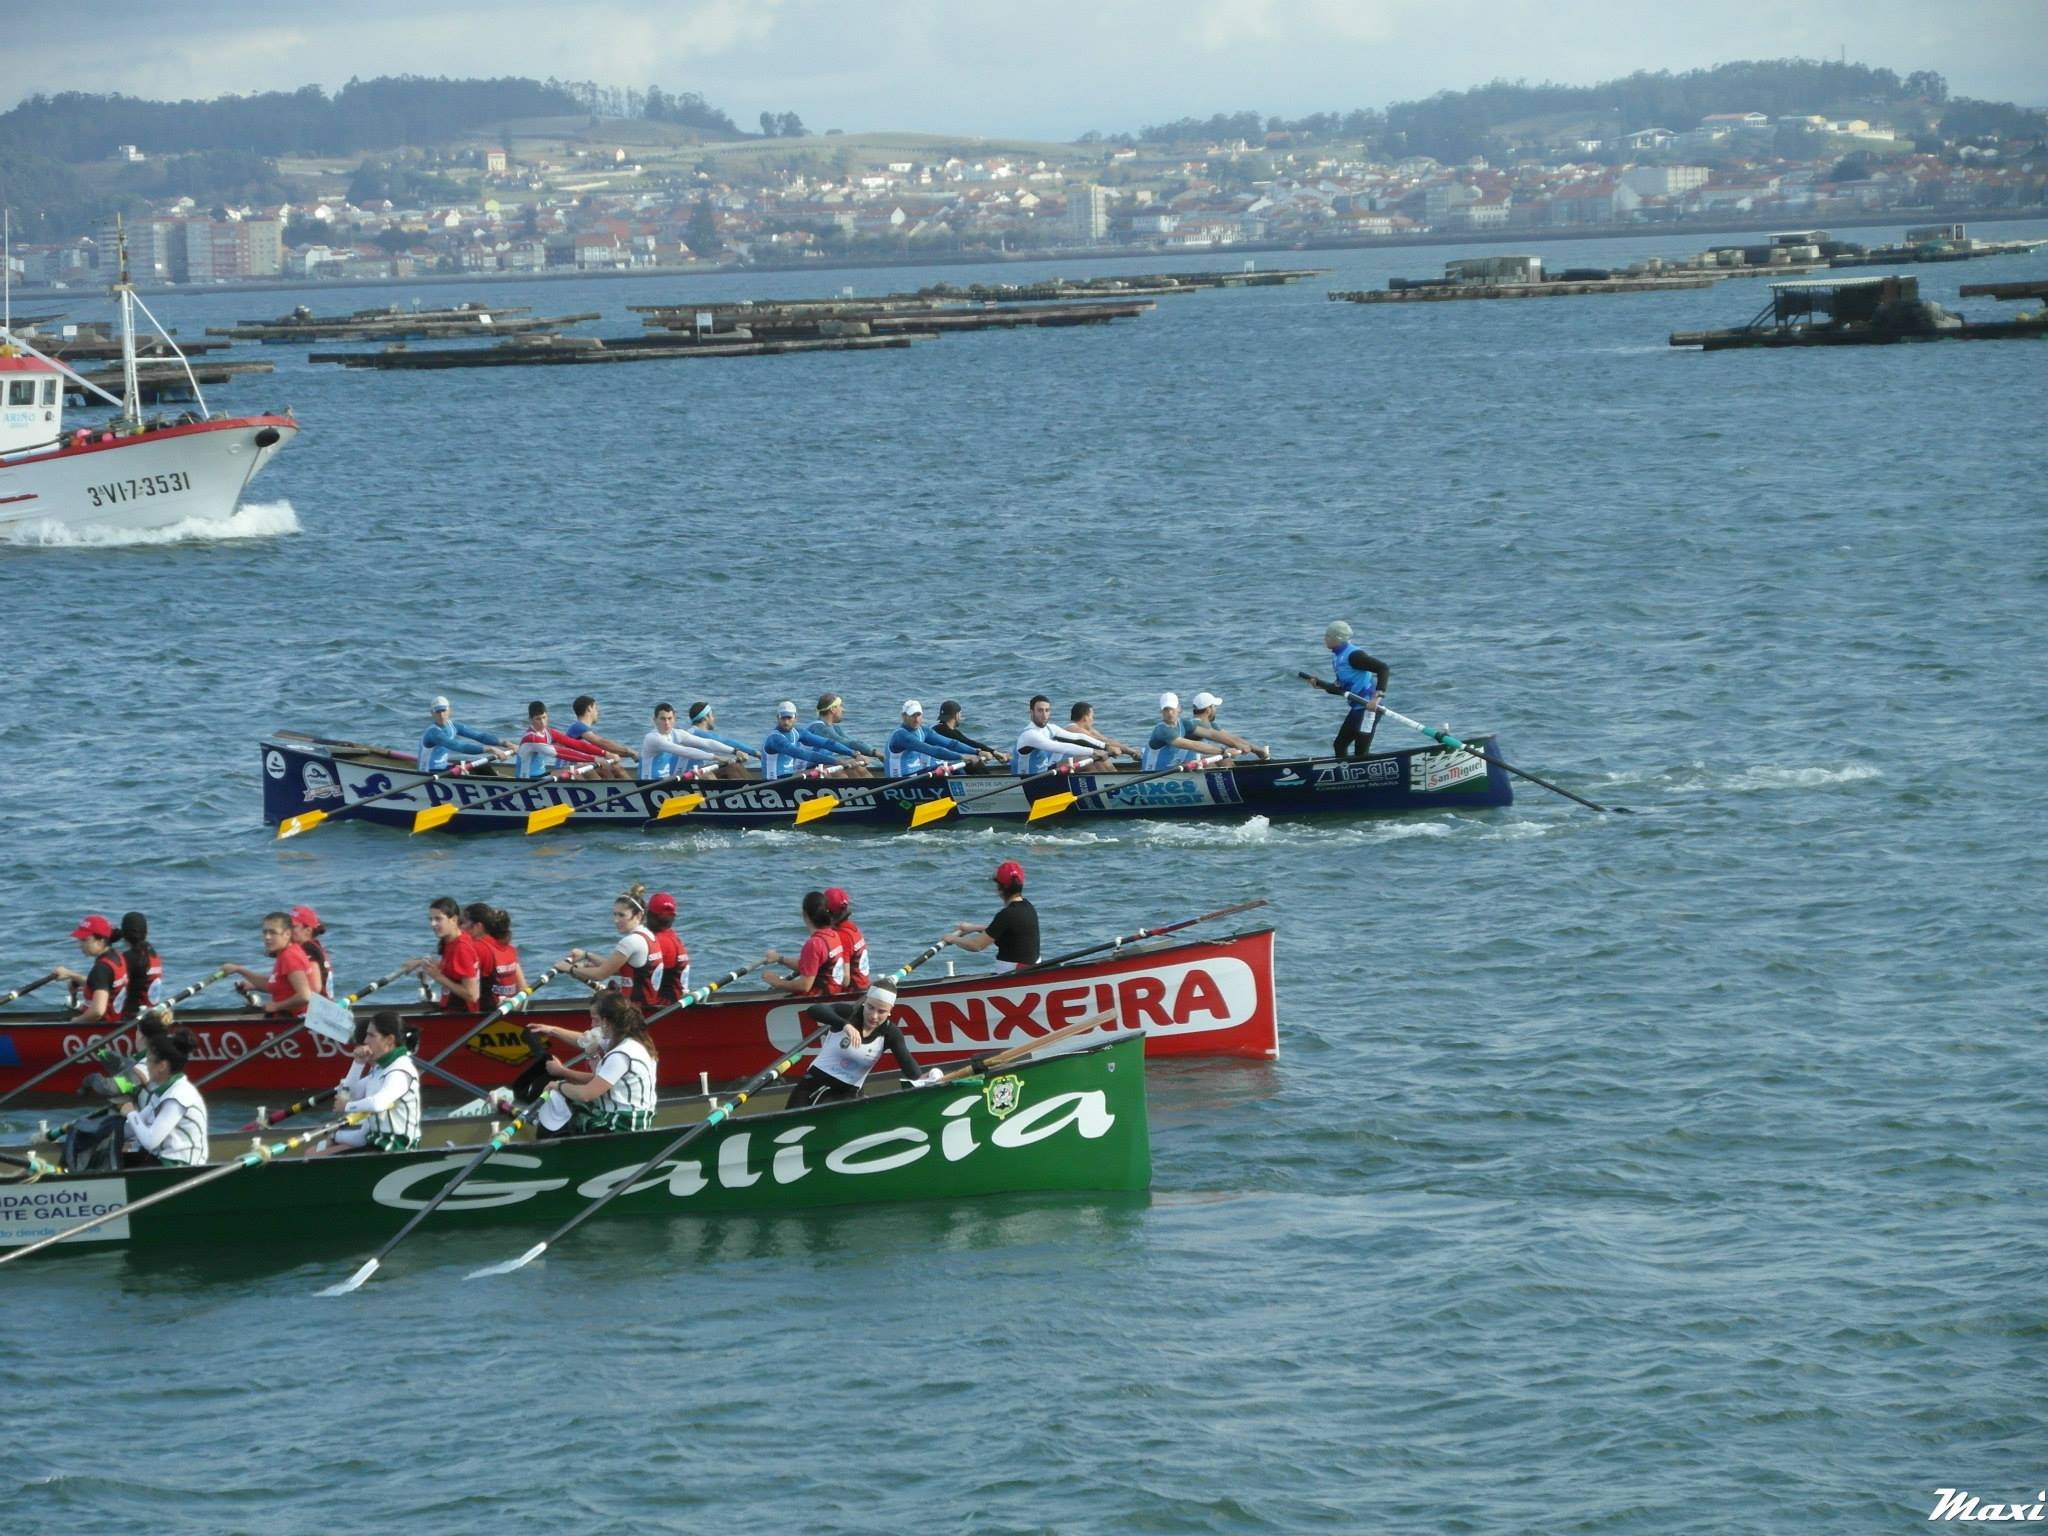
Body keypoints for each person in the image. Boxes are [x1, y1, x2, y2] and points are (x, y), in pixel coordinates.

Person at [786, 983, 942, 1108]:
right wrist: (844, 1025)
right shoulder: (848, 1013)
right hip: (814, 1084)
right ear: (865, 1003)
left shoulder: (891, 1033)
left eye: (881, 1011)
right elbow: (813, 1010)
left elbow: (908, 1066)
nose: (874, 1016)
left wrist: (925, 1078)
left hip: (848, 1093)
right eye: (870, 1007)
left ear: (890, 1012)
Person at [529, 992, 659, 1137]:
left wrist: (557, 1085)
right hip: (628, 1116)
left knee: (566, 1100)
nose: (591, 1025)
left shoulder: (621, 1054)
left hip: (622, 1124)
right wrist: (551, 1030)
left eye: (595, 1020)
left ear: (607, 1021)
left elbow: (586, 1094)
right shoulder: (631, 1039)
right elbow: (584, 1040)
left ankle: (552, 1146)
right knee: (567, 1097)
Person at [312, 1011, 420, 1155]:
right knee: (314, 1154)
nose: (366, 1041)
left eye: (371, 1035)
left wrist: (347, 1106)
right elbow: (349, 1094)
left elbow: (378, 1104)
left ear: (389, 1039)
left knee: (318, 1158)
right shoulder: (380, 1069)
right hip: (375, 1141)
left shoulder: (400, 1070)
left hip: (396, 1146)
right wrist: (358, 1064)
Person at [562, 884, 676, 1009]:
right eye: (615, 914)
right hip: (647, 1006)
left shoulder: (631, 941)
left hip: (631, 1012)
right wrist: (586, 955)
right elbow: (620, 968)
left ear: (638, 916)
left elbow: (600, 974)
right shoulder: (649, 935)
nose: (616, 920)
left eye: (622, 915)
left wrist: (568, 968)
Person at [116, 1026, 209, 1168]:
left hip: (181, 1167)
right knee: (118, 1159)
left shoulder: (178, 1097)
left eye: (149, 1060)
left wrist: (130, 1113)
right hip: (163, 1158)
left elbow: (150, 1141)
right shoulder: (163, 1091)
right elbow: (136, 1125)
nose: (146, 1065)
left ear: (162, 1066)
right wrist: (104, 1132)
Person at [1309, 621, 1391, 759]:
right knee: (1340, 745)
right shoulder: (1337, 657)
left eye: (1327, 635)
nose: (1324, 638)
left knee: (1361, 752)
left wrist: (1377, 698)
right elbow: (1341, 688)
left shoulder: (1354, 655)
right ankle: (1344, 775)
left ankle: (1369, 777)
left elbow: (1383, 668)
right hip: (1357, 708)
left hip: (1369, 710)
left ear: (1337, 638)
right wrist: (1321, 685)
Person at [942, 860, 1040, 972]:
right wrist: (972, 928)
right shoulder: (1028, 907)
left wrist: (952, 938)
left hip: (1012, 974)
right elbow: (1001, 930)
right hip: (1030, 969)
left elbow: (976, 945)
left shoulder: (1007, 915)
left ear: (999, 888)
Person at [223, 911, 317, 1016]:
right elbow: (274, 984)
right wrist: (240, 970)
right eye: (265, 932)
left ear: (287, 934)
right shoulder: (285, 953)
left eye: (273, 933)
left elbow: (305, 996)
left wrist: (277, 1006)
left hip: (295, 1021)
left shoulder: (290, 957)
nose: (267, 937)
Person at [762, 891, 849, 997]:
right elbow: (810, 966)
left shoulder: (814, 944)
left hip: (817, 1001)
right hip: (832, 994)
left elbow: (805, 985)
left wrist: (777, 982)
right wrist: (780, 959)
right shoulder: (834, 935)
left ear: (804, 914)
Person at [517, 701, 629, 781]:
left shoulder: (549, 732)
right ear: (530, 720)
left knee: (589, 767)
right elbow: (562, 753)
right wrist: (594, 759)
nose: (542, 722)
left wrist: (605, 753)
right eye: (538, 719)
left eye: (544, 717)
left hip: (542, 775)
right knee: (582, 768)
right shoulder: (531, 738)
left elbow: (576, 744)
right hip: (528, 780)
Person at [408, 896, 482, 1011]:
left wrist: (437, 976)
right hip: (449, 1007)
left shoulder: (461, 948)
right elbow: (455, 969)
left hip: (462, 1014)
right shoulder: (450, 940)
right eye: (430, 919)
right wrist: (421, 963)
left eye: (438, 919)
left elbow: (472, 995)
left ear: (454, 920)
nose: (433, 924)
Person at [53, 913, 128, 1025]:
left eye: (84, 940)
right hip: (117, 1019)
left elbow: (97, 1011)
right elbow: (103, 984)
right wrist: (72, 975)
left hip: (102, 1027)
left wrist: (73, 1023)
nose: (80, 945)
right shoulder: (117, 956)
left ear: (101, 941)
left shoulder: (101, 969)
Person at [642, 702, 744, 781]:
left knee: (733, 767)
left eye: (669, 718)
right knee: (706, 776)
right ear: (654, 720)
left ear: (675, 719)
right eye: (662, 719)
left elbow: (707, 743)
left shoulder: (677, 733)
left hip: (667, 779)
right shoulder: (652, 738)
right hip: (650, 782)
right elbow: (684, 751)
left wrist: (734, 751)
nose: (667, 723)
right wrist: (717, 757)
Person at [1015, 695, 1108, 775]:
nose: (1044, 715)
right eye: (1040, 710)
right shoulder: (1029, 735)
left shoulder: (1050, 728)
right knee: (1086, 759)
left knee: (1089, 762)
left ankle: (1097, 788)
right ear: (1031, 712)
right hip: (1028, 779)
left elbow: (1078, 737)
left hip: (1045, 772)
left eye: (1047, 710)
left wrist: (1105, 746)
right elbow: (1062, 747)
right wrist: (1093, 752)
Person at [417, 695, 512, 772]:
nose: (441, 715)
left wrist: (507, 744)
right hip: (429, 772)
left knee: (483, 767)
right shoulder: (434, 733)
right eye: (437, 712)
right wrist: (491, 749)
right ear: (432, 713)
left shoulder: (454, 726)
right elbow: (458, 746)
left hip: (443, 768)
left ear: (450, 711)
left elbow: (480, 736)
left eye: (443, 710)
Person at [885, 700, 975, 778]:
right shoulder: (901, 735)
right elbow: (933, 751)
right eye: (912, 715)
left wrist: (976, 752)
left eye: (918, 715)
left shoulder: (923, 731)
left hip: (916, 775)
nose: (916, 719)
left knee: (955, 767)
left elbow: (951, 743)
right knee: (952, 768)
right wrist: (961, 756)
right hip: (900, 779)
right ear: (903, 716)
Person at [463, 903, 527, 1011]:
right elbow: (524, 988)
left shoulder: (480, 948)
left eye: (463, 922)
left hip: (488, 1012)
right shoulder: (511, 950)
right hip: (509, 1008)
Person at [763, 702, 847, 781]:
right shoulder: (775, 738)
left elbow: (826, 743)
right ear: (778, 718)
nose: (786, 722)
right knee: (823, 773)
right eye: (783, 718)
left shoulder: (798, 732)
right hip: (774, 781)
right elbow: (801, 753)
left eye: (789, 718)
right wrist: (835, 761)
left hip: (790, 776)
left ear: (796, 718)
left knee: (834, 771)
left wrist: (854, 753)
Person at [1183, 691, 1269, 760]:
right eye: (1214, 707)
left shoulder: (1211, 725)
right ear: (1209, 709)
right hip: (1182, 762)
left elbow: (1233, 738)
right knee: (1220, 760)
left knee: (1225, 760)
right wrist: (1239, 746)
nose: (1216, 709)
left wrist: (1256, 750)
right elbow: (1219, 738)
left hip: (1196, 760)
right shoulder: (1195, 724)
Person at [114, 912, 165, 1021]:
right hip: (151, 1016)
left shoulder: (128, 958)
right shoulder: (154, 955)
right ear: (146, 932)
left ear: (124, 935)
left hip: (131, 1018)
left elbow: (109, 984)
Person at [1142, 692, 1213, 771]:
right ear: (1161, 711)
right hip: (1152, 774)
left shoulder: (1184, 724)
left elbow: (1215, 734)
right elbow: (1194, 745)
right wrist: (1222, 751)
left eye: (1172, 708)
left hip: (1171, 771)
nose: (1170, 713)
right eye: (1166, 709)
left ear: (1179, 708)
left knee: (1217, 760)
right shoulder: (1162, 730)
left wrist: (1227, 748)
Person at [565, 695, 640, 767]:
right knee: (613, 768)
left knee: (612, 766)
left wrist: (628, 754)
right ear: (589, 708)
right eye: (596, 709)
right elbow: (602, 743)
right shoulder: (578, 726)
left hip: (575, 764)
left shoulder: (581, 730)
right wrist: (630, 751)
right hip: (567, 766)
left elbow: (604, 749)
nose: (598, 713)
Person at [809, 694, 883, 768]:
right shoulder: (820, 727)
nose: (843, 710)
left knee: (858, 769)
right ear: (833, 709)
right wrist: (874, 752)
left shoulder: (835, 728)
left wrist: (869, 752)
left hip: (820, 764)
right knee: (842, 772)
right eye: (840, 706)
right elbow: (843, 743)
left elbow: (850, 741)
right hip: (806, 768)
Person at [1058, 701, 1140, 766]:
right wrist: (1129, 752)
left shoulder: (1089, 730)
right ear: (1085, 718)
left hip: (1073, 765)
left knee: (1102, 758)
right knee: (1099, 760)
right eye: (1092, 716)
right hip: (1058, 766)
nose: (1093, 719)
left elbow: (1107, 740)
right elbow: (1101, 742)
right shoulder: (1072, 729)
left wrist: (1131, 752)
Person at [932, 700, 1008, 767]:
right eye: (960, 713)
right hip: (941, 767)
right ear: (956, 715)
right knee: (974, 764)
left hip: (941, 763)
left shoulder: (937, 729)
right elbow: (968, 743)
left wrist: (990, 752)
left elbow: (966, 743)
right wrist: (993, 752)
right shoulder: (946, 731)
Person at [823, 886, 870, 991]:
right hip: (863, 985)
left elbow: (845, 979)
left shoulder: (841, 936)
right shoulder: (852, 928)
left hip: (853, 991)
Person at [684, 703, 757, 765]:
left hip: (685, 772)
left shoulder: (689, 732)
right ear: (705, 718)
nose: (714, 718)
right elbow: (726, 742)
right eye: (712, 715)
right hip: (686, 777)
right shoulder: (699, 734)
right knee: (733, 767)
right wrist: (755, 753)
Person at [290, 904, 333, 1000]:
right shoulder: (314, 946)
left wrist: (278, 1005)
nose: (288, 930)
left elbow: (314, 988)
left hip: (317, 1011)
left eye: (293, 926)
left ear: (308, 930)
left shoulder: (308, 950)